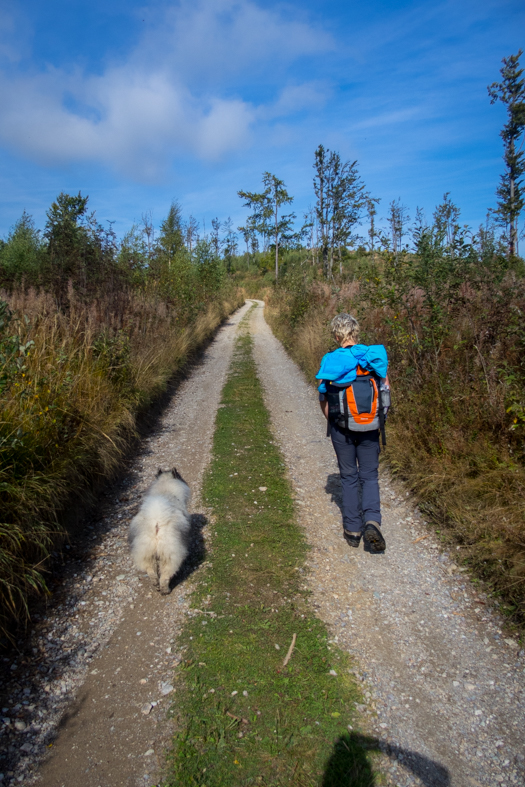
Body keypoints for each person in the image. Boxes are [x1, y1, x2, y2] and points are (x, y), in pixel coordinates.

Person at [316, 313, 390, 552]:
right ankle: (372, 521)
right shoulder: (374, 358)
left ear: (337, 335)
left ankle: (353, 530)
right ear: (356, 334)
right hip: (371, 426)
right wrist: (377, 420)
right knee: (369, 476)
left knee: (348, 476)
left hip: (342, 429)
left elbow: (323, 396)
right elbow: (386, 391)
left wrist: (335, 421)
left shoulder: (332, 360)